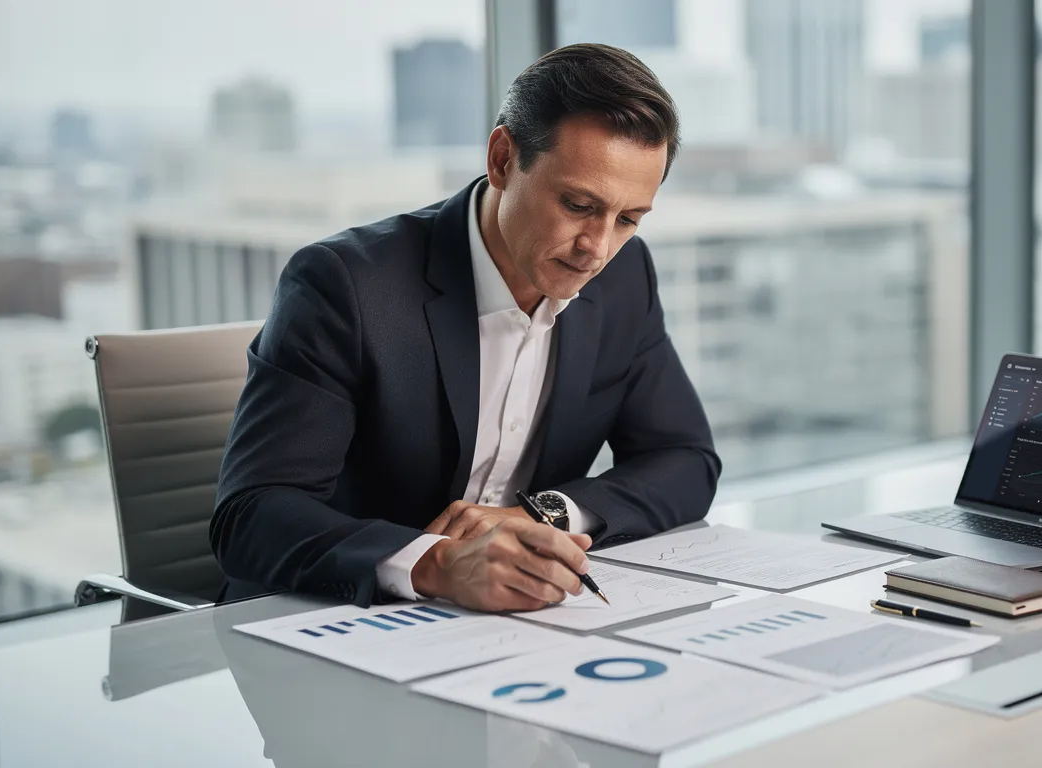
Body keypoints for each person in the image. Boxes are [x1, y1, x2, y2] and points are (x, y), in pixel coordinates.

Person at [210, 43, 720, 612]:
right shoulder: (345, 285)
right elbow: (252, 514)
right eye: (578, 205)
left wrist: (543, 513)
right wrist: (436, 563)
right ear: (502, 159)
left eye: (627, 219)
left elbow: (686, 459)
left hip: (509, 630)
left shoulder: (625, 278)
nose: (597, 249)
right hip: (330, 619)